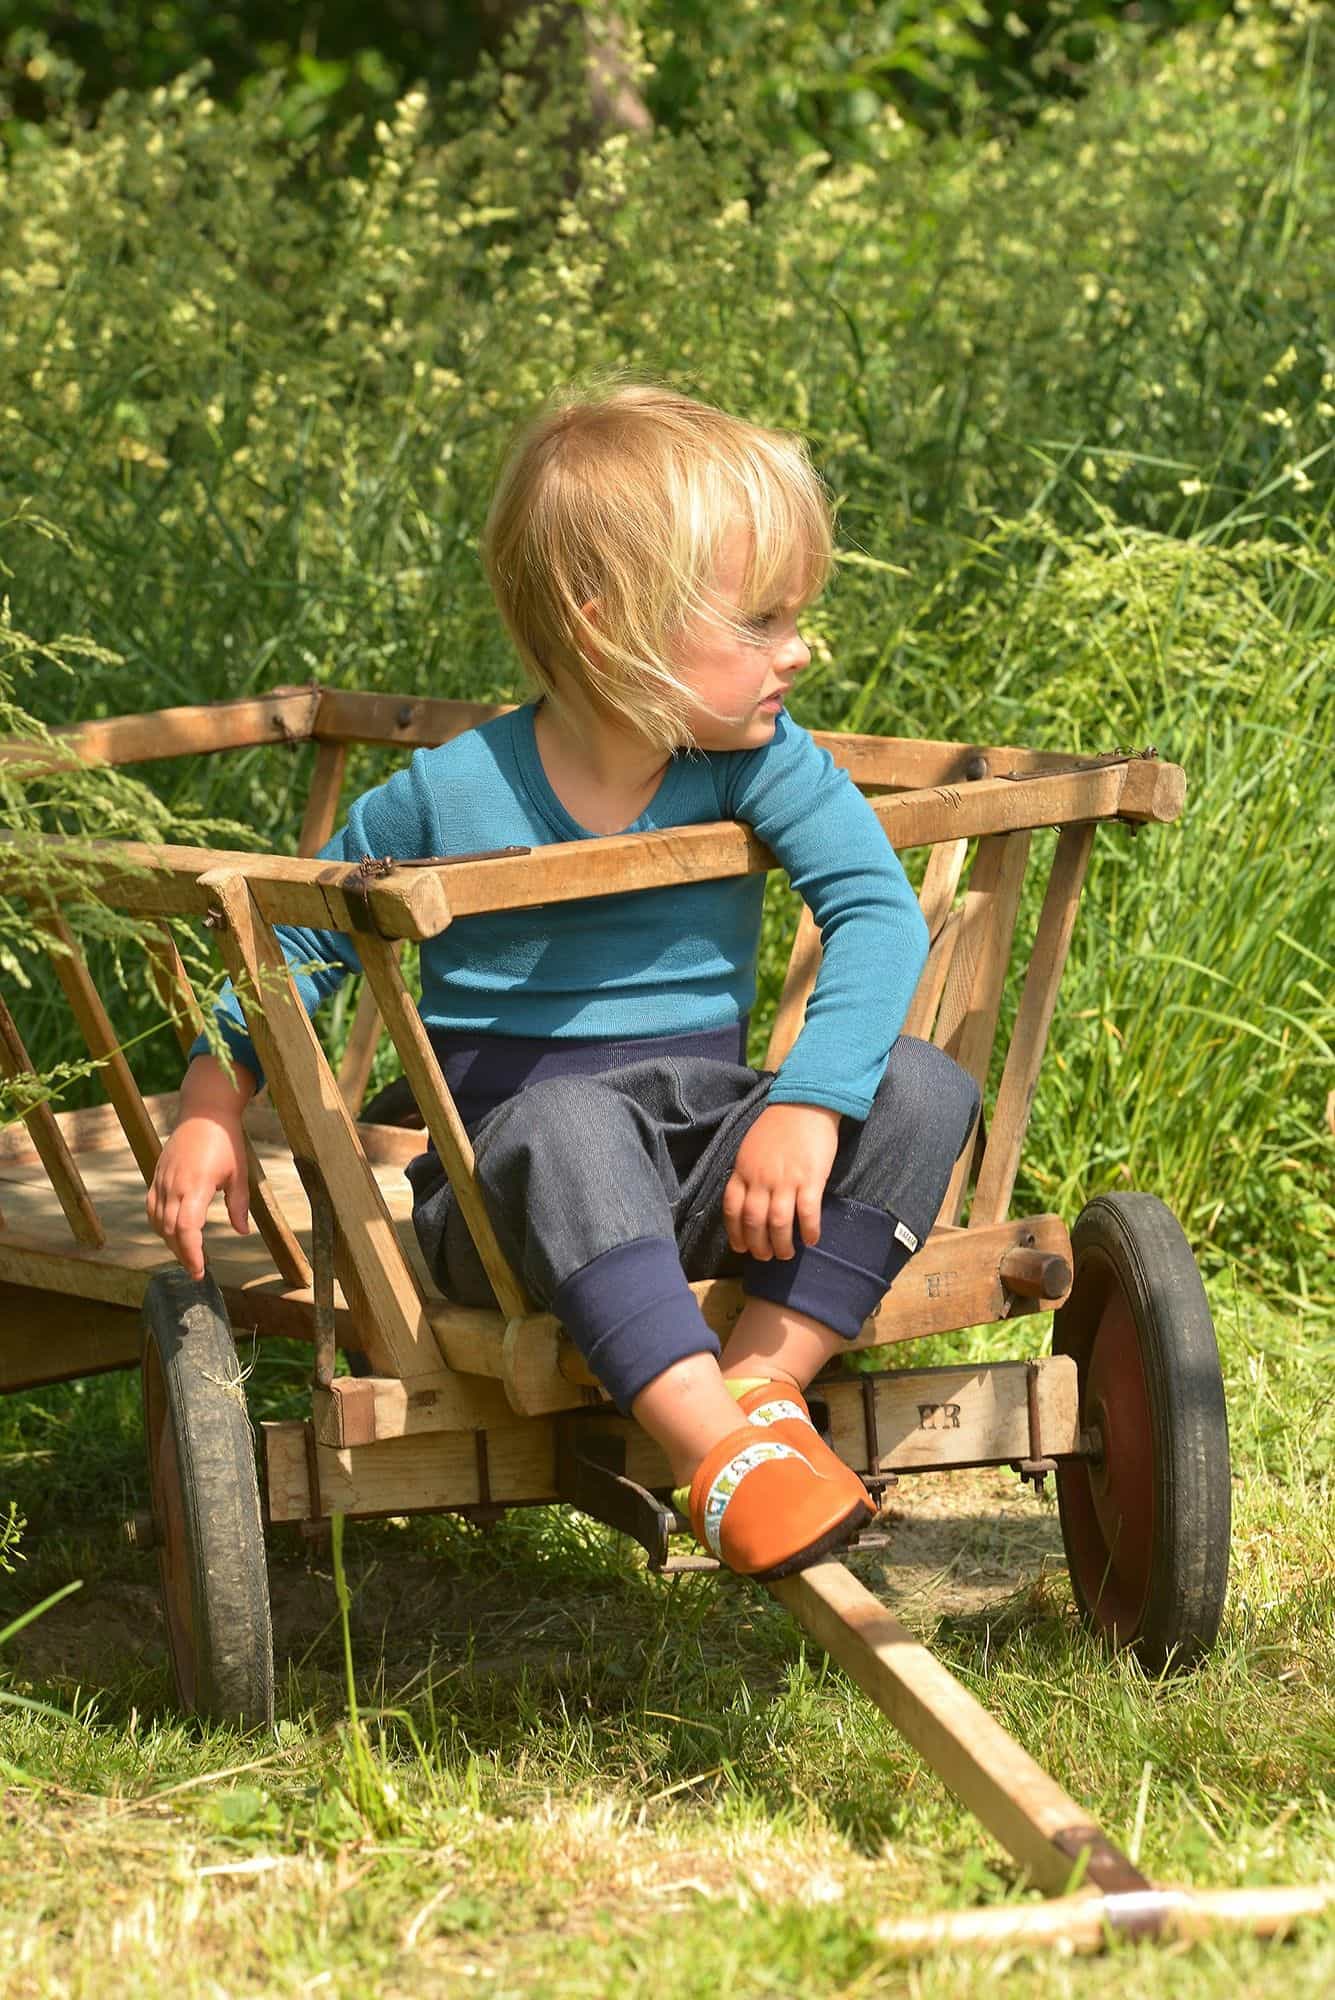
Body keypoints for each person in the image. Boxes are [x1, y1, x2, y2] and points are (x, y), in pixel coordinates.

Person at [146, 382, 981, 1579]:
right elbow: (290, 941)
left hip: (696, 1158)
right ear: (609, 626)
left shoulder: (755, 762)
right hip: (509, 1201)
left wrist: (806, 1101)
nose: (798, 648)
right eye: (760, 619)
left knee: (921, 1085)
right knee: (568, 1122)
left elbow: (878, 913)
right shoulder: (450, 793)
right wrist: (210, 1101)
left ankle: (761, 1386)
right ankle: (710, 1451)